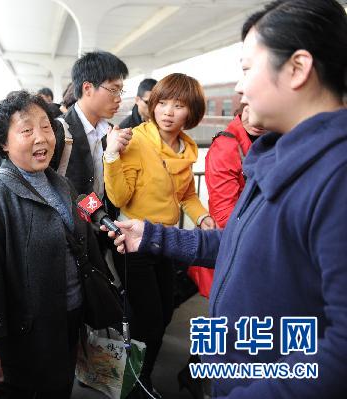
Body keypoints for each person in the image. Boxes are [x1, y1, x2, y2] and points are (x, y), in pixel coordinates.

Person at [105, 0, 347, 397]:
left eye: (248, 68)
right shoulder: (277, 156)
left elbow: (339, 353)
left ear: (298, 68)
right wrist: (151, 236)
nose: (239, 87)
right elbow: (237, 240)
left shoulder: (335, 176)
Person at [0, 91, 108, 397]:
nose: (41, 138)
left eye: (45, 127)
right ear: (3, 143)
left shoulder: (60, 183)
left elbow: (83, 206)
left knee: (60, 385)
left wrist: (106, 220)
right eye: (27, 130)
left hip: (70, 315)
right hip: (26, 332)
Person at [104, 73, 215, 398]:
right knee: (149, 319)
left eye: (178, 105)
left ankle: (141, 376)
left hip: (166, 241)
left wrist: (203, 216)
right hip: (134, 241)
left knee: (165, 313)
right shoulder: (136, 140)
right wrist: (110, 155)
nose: (167, 111)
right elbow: (120, 197)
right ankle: (135, 383)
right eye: (162, 103)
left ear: (191, 112)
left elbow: (186, 196)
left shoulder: (186, 149)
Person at [190, 104, 265, 298]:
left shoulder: (277, 138)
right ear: (242, 108)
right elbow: (224, 212)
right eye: (250, 109)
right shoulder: (226, 146)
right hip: (238, 245)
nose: (256, 117)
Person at [50, 51, 131, 203]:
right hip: (70, 223)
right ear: (87, 88)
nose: (119, 99)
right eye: (113, 90)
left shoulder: (111, 132)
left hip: (101, 222)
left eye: (120, 91)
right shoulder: (57, 131)